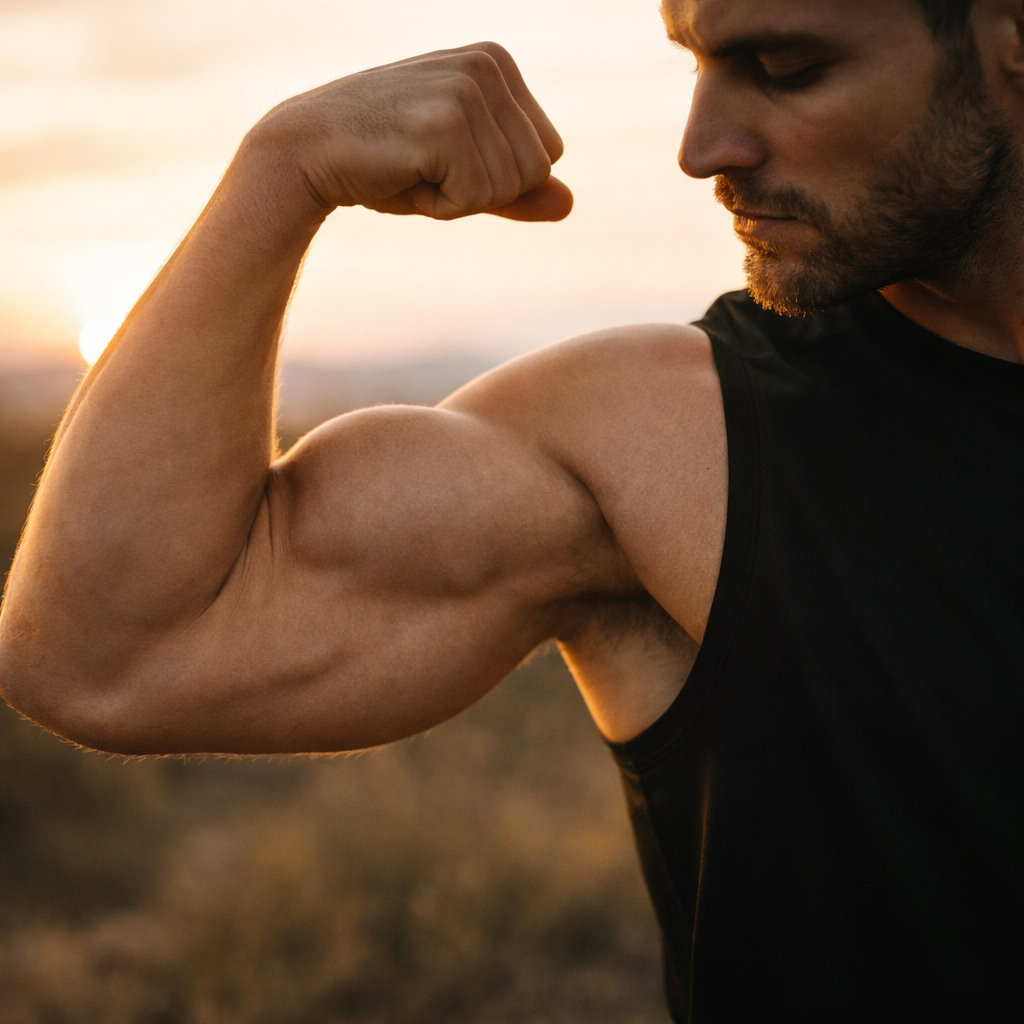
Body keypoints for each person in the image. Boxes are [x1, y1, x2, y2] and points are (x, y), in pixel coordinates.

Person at [1, 0, 1021, 1018]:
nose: (701, 147)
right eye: (695, 63)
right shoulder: (663, 443)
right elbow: (107, 656)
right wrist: (282, 171)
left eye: (786, 66)